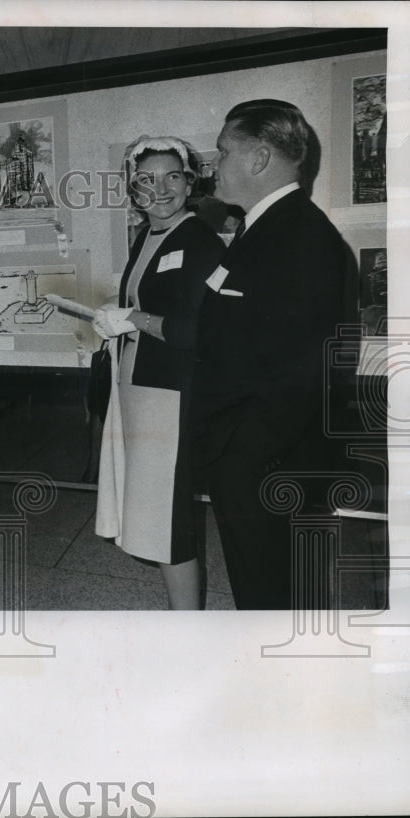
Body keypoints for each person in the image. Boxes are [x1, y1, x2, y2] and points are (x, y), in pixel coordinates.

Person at [191, 99, 349, 610]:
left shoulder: (299, 236)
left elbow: (303, 373)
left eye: (222, 152)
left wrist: (242, 459)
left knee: (273, 596)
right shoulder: (262, 227)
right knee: (264, 590)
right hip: (252, 457)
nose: (213, 165)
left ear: (259, 158)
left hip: (264, 465)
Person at [93, 136, 225, 610]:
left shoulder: (198, 238)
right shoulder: (147, 236)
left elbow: (203, 330)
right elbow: (147, 301)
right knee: (153, 510)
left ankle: (186, 627)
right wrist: (121, 311)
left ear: (191, 182)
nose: (161, 188)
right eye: (147, 179)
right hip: (139, 386)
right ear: (133, 189)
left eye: (173, 176)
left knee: (169, 517)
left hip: (172, 393)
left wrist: (135, 319)